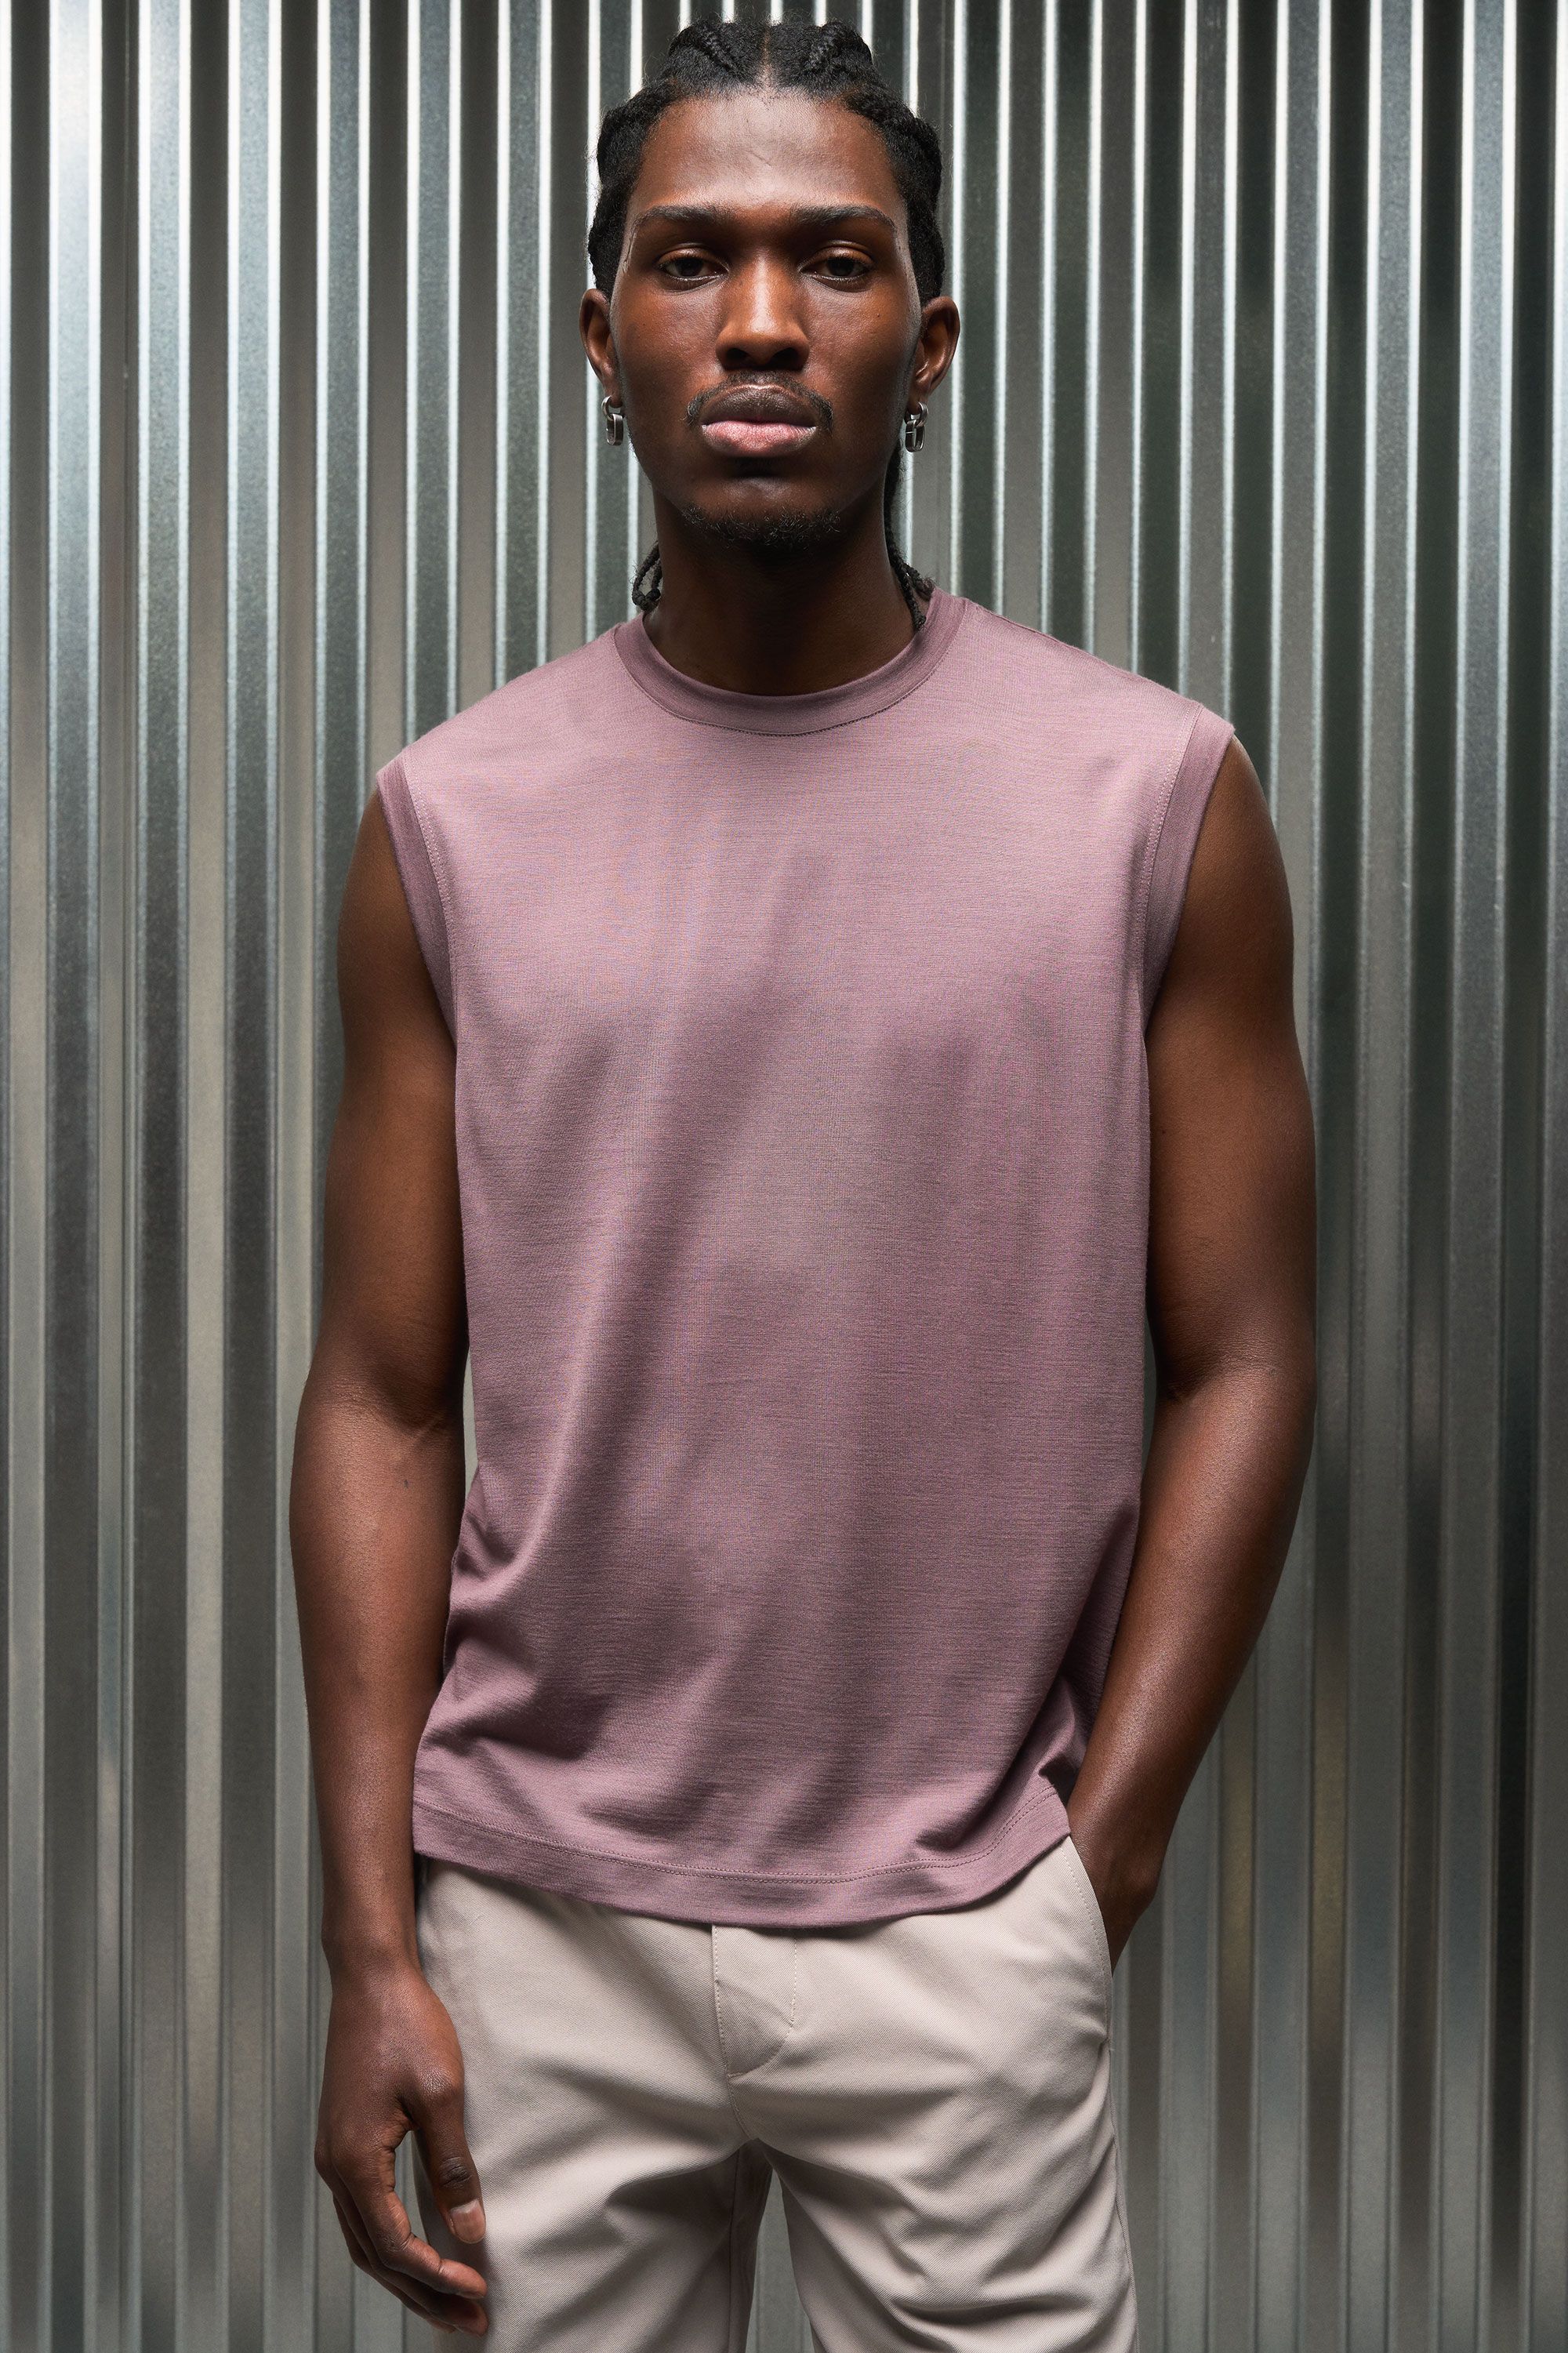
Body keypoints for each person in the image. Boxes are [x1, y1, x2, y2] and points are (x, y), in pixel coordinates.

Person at [290, 20, 1317, 2350]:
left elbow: (1248, 1355)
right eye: (695, 260)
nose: (762, 319)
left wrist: (1093, 1868)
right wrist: (371, 1937)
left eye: (833, 260)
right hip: (537, 1922)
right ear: (605, 337)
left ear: (926, 344)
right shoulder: (451, 818)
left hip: (967, 1922)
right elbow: (379, 1392)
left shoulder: (1152, 795)